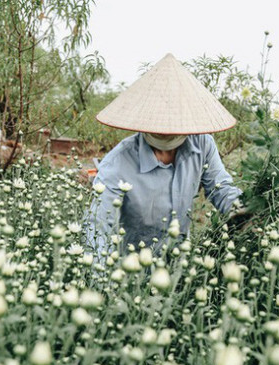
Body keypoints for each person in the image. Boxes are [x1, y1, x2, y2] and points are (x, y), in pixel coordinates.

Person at [85, 53, 244, 257]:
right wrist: (100, 281)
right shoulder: (119, 162)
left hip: (179, 269)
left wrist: (244, 211)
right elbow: (97, 227)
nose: (166, 131)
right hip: (130, 272)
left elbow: (221, 189)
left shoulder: (202, 144)